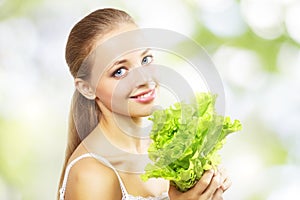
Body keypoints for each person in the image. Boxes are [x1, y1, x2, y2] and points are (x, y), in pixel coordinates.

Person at [57, 8, 231, 200]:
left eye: (146, 60)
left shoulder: (169, 150)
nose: (144, 79)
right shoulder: (90, 173)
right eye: (120, 72)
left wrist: (210, 189)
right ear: (87, 88)